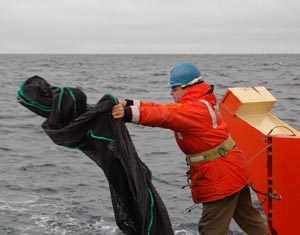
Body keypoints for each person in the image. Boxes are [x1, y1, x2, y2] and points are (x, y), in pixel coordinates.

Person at [112, 62, 271, 235]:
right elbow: (163, 108)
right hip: (230, 170)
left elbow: (165, 116)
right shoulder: (197, 105)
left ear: (188, 87)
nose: (171, 92)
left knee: (211, 229)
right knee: (249, 219)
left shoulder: (195, 109)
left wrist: (128, 113)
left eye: (174, 88)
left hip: (221, 176)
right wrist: (129, 104)